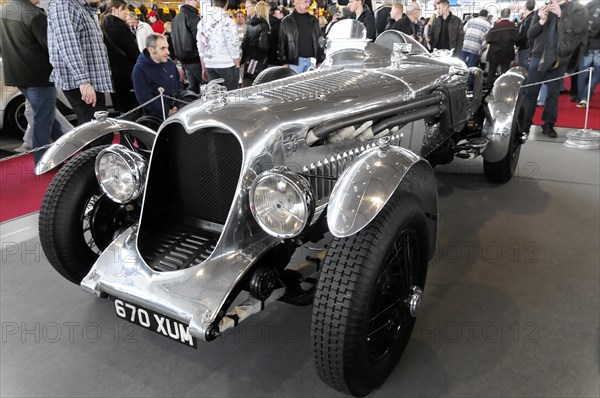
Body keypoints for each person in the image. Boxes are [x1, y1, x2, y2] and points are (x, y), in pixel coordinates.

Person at [0, 0, 64, 163]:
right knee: (43, 120)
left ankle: (66, 151)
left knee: (47, 117)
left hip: (17, 75)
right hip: (39, 75)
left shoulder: (5, 10)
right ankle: (42, 162)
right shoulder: (33, 14)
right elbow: (51, 46)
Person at [522, 0, 589, 138]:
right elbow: (530, 35)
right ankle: (525, 124)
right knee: (531, 93)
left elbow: (579, 31)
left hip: (559, 58)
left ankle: (548, 124)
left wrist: (561, 15)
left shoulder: (577, 9)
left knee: (553, 94)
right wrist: (541, 20)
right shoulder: (542, 9)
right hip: (537, 56)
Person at [47, 0, 113, 128]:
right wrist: (83, 81)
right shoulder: (64, 4)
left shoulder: (83, 8)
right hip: (82, 81)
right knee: (96, 129)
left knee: (96, 127)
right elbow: (68, 45)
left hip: (90, 79)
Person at [100, 0, 140, 114]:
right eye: (123, 9)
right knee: (133, 109)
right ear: (114, 9)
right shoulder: (120, 26)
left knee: (121, 108)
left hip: (113, 74)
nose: (126, 12)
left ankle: (124, 131)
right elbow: (133, 52)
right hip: (127, 73)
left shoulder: (102, 25)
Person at [132, 33, 183, 119]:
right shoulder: (139, 70)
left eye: (167, 47)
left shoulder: (169, 63)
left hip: (178, 108)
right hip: (158, 116)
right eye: (163, 48)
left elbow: (178, 85)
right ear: (151, 49)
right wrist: (167, 111)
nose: (168, 52)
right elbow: (145, 98)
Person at [197, 0, 241, 91]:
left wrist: (203, 67)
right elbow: (233, 45)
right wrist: (237, 65)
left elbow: (201, 46)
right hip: (226, 64)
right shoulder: (228, 22)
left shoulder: (202, 22)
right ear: (226, 4)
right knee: (231, 97)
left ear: (213, 3)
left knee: (215, 98)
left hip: (210, 64)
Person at [278, 0, 324, 74]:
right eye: (305, 2)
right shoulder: (286, 21)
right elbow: (281, 43)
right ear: (297, 4)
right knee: (294, 85)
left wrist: (320, 61)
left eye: (308, 2)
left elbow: (319, 41)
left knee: (311, 85)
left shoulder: (314, 20)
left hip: (311, 61)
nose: (308, 4)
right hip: (294, 62)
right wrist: (284, 62)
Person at [172, 0, 203, 93]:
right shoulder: (193, 17)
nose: (198, 2)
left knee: (192, 89)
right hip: (196, 60)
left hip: (184, 61)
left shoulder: (176, 19)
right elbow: (200, 40)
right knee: (209, 87)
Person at [485, 8, 519, 88]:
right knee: (505, 73)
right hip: (507, 52)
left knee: (491, 72)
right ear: (509, 15)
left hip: (494, 52)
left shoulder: (495, 27)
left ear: (501, 15)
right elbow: (517, 39)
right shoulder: (513, 27)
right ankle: (504, 89)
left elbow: (488, 39)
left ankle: (490, 89)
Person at [576, 0, 600, 108]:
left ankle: (581, 99)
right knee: (597, 75)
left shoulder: (587, 7)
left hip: (586, 45)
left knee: (583, 75)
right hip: (599, 47)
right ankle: (585, 97)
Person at [242, 1, 271, 84]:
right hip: (259, 60)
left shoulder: (250, 24)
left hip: (249, 59)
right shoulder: (264, 25)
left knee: (248, 82)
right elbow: (263, 46)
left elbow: (244, 43)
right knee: (258, 84)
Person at [516, 0, 536, 69]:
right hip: (530, 47)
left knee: (524, 70)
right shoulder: (534, 17)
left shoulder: (528, 20)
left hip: (525, 47)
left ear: (525, 7)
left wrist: (516, 42)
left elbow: (525, 35)